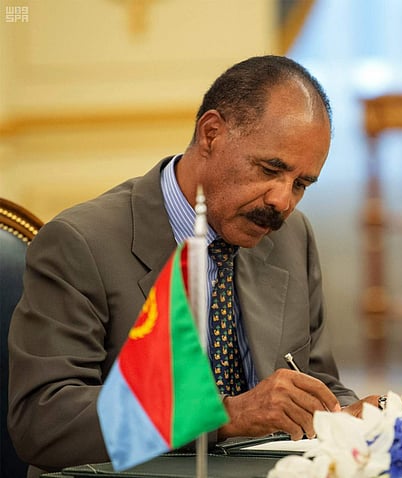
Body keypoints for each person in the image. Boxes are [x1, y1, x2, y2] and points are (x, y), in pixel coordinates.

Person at [8, 55, 378, 477]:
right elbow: (44, 421)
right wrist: (223, 415)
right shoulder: (81, 243)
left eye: (301, 184)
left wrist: (356, 418)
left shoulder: (292, 238)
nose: (282, 201)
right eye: (269, 169)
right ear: (211, 133)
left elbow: (315, 382)